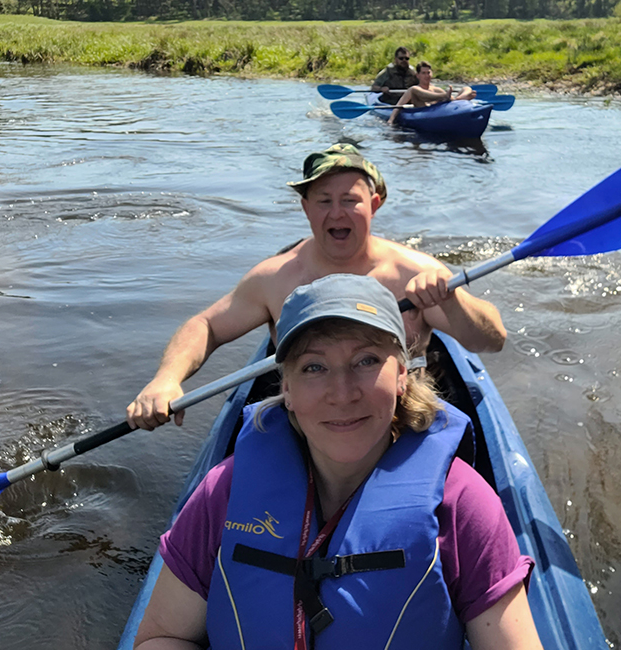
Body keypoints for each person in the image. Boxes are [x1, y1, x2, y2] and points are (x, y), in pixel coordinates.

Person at [133, 274, 543, 650]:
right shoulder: (224, 492)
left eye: (366, 360)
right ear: (287, 388)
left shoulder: (463, 505)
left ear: (401, 374)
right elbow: (163, 638)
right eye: (315, 367)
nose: (342, 392)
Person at [126, 143, 506, 431]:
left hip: (398, 413)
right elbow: (206, 325)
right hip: (306, 417)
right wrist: (166, 379)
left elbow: (492, 339)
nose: (336, 213)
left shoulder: (412, 272)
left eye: (350, 201)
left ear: (374, 205)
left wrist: (452, 300)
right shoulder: (276, 277)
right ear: (306, 208)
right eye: (323, 200)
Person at [387, 61, 476, 124]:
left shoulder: (436, 89)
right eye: (423, 73)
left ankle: (461, 98)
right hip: (422, 111)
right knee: (414, 89)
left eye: (428, 73)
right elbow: (398, 106)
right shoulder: (413, 90)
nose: (427, 76)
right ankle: (443, 96)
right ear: (418, 76)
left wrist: (459, 101)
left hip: (437, 110)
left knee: (466, 88)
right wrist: (391, 120)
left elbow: (453, 102)